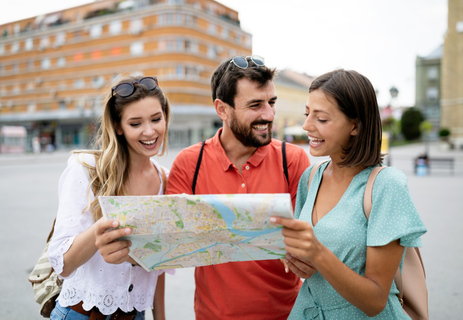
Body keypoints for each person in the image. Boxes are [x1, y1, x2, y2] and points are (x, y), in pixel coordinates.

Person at [96, 55, 311, 319]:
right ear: (222, 109)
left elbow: (311, 245)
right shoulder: (190, 163)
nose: (268, 114)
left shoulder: (293, 160)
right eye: (255, 105)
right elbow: (165, 243)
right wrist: (121, 251)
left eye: (271, 102)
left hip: (288, 314)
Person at [271, 69, 427, 319]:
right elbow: (312, 268)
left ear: (355, 126)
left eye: (321, 119)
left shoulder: (386, 186)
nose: (306, 126)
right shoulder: (310, 178)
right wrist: (295, 259)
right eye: (307, 113)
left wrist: (317, 252)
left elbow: (375, 300)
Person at [47, 75, 172, 320]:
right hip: (80, 314)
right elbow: (62, 264)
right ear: (118, 126)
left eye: (156, 119)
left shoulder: (166, 179)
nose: (150, 131)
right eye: (135, 123)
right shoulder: (86, 168)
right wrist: (98, 234)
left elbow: (159, 267)